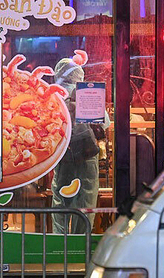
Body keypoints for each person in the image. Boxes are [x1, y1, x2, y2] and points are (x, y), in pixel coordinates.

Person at [51, 58, 106, 234]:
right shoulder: (87, 94)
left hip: (63, 154)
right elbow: (105, 123)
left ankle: (58, 243)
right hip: (87, 153)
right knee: (86, 198)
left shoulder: (54, 95)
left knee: (61, 197)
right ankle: (81, 243)